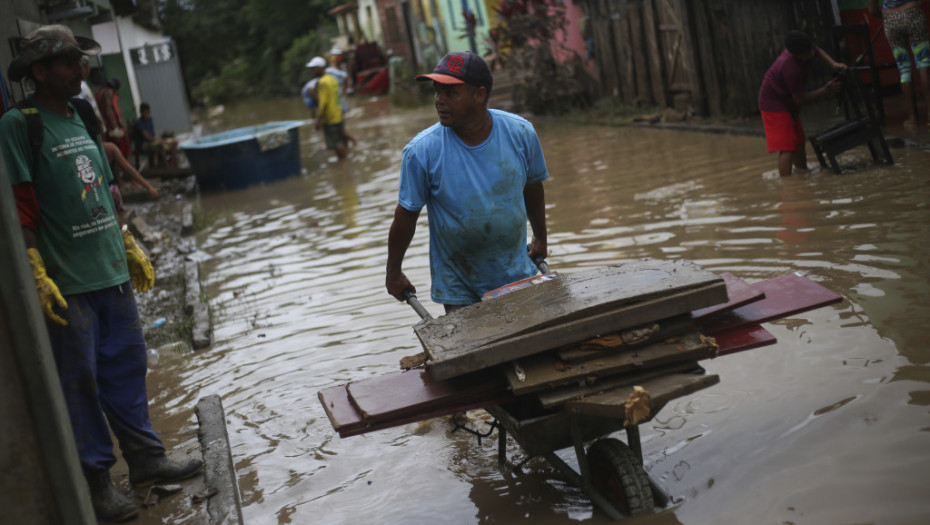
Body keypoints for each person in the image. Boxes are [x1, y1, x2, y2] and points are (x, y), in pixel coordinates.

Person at [1, 25, 201, 522]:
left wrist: (126, 241)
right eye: (68, 62)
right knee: (80, 383)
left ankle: (148, 461)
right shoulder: (19, 124)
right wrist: (35, 269)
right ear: (39, 71)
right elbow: (21, 205)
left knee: (128, 370)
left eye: (80, 59)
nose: (80, 69)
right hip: (68, 283)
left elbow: (105, 189)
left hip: (110, 273)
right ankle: (96, 481)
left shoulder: (83, 116)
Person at [385, 51, 549, 313]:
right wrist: (393, 272)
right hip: (460, 284)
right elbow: (406, 216)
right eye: (437, 92)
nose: (439, 101)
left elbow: (533, 187)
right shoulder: (421, 151)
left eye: (450, 93)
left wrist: (540, 238)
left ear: (479, 95)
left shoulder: (520, 133)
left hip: (517, 272)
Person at [758, 31, 846, 177]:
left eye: (811, 49)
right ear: (795, 55)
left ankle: (802, 173)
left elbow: (817, 51)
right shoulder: (790, 68)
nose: (811, 54)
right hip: (773, 104)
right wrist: (826, 90)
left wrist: (833, 64)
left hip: (787, 101)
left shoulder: (804, 47)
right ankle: (788, 185)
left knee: (799, 141)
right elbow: (799, 100)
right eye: (807, 53)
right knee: (787, 147)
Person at [869, 0, 930, 126]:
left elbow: (873, 10)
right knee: (924, 63)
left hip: (890, 20)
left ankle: (912, 118)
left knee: (904, 70)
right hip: (913, 13)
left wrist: (890, 17)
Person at [104, 141, 160, 223]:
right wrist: (149, 187)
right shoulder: (109, 148)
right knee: (120, 221)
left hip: (95, 191)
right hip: (110, 189)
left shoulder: (86, 150)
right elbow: (128, 168)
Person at [307, 56, 348, 160]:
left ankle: (344, 166)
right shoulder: (333, 79)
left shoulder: (322, 83)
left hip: (329, 119)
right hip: (338, 115)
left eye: (314, 68)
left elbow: (323, 103)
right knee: (340, 139)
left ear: (320, 68)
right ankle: (345, 161)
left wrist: (318, 119)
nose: (312, 70)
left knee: (336, 144)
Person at [133, 102, 178, 168]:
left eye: (148, 111)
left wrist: (161, 140)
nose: (147, 113)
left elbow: (153, 136)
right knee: (160, 145)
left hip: (152, 141)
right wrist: (161, 140)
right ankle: (166, 166)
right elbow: (147, 138)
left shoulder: (149, 119)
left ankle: (173, 164)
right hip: (144, 144)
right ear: (142, 112)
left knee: (174, 142)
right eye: (145, 112)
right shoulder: (139, 123)